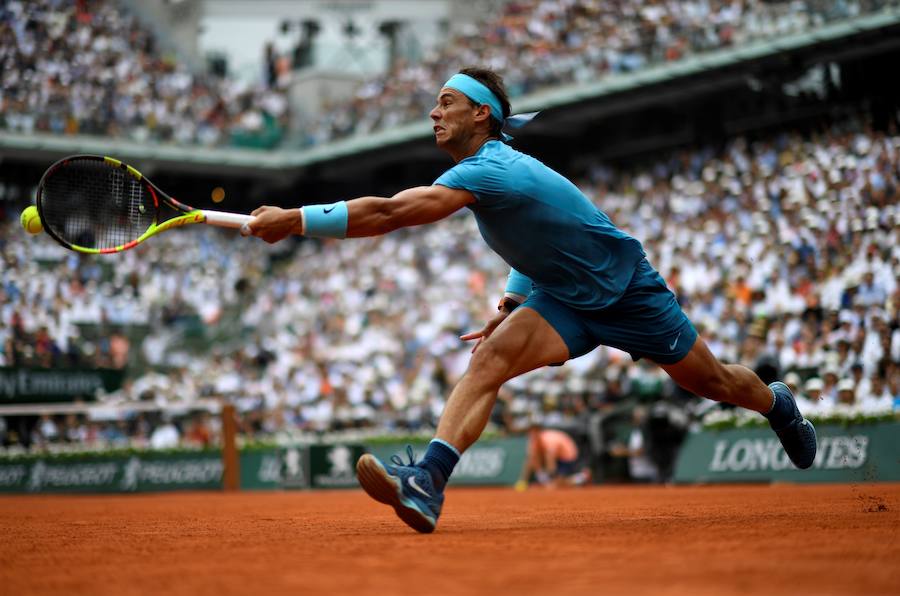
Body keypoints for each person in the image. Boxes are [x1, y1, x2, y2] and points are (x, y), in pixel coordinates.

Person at [243, 66, 818, 533]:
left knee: (712, 382)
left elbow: (391, 212)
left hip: (628, 292)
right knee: (488, 362)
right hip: (563, 298)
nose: (434, 113)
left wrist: (295, 219)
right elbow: (536, 242)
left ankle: (777, 405)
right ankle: (428, 481)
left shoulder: (490, 170)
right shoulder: (486, 175)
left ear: (481, 114)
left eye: (446, 103)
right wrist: (512, 305)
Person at [516, 422, 589, 490]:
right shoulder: (532, 441)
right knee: (532, 459)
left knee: (557, 484)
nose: (532, 434)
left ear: (539, 431)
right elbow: (531, 458)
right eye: (530, 432)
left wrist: (550, 479)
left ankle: (582, 477)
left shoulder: (548, 439)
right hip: (557, 457)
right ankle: (524, 481)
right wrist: (538, 475)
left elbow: (551, 461)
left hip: (568, 456)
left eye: (534, 431)